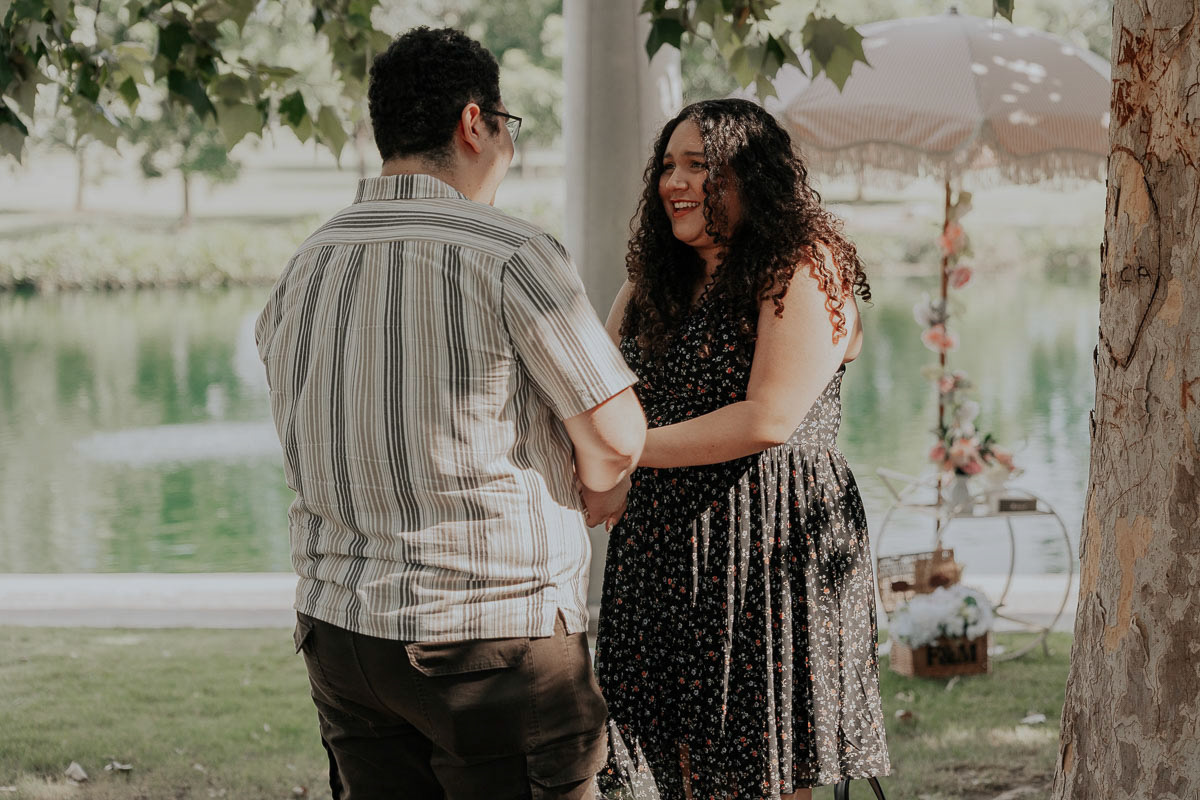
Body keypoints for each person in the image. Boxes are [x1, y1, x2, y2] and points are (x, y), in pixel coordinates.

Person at [255, 27, 646, 800]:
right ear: (475, 122)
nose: (509, 145)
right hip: (491, 640)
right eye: (508, 126)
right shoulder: (511, 253)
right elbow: (616, 438)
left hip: (344, 638)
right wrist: (603, 484)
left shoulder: (306, 263)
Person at [588, 99, 891, 800]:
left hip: (769, 544)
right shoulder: (647, 284)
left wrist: (625, 456)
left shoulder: (803, 266)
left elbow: (768, 418)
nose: (674, 182)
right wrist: (594, 466)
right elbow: (598, 398)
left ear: (750, 175)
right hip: (659, 548)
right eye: (668, 166)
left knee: (764, 772)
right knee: (658, 769)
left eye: (699, 165)